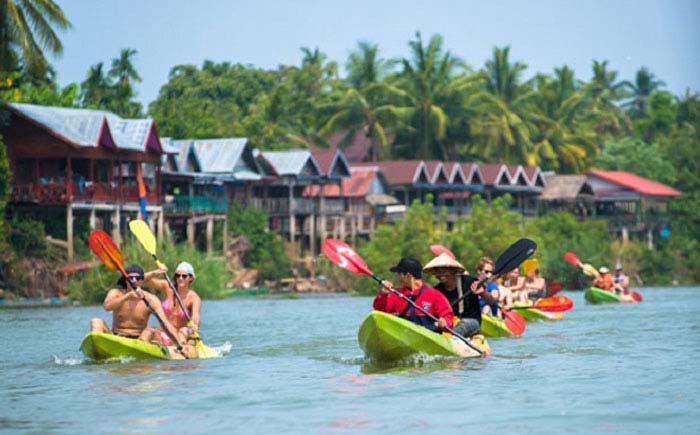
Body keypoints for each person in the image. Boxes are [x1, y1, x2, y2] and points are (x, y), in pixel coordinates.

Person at [90, 263, 185, 350]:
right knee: (96, 321)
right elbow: (107, 306)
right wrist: (127, 296)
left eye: (137, 278)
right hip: (116, 336)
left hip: (139, 339)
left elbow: (165, 323)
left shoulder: (150, 299)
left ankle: (138, 354)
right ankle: (96, 351)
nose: (134, 280)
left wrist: (180, 345)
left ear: (142, 280)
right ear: (126, 280)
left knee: (150, 331)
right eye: (131, 278)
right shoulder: (116, 293)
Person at [423, 253, 497, 337]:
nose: (441, 274)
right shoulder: (437, 291)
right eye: (438, 271)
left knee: (463, 324)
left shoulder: (470, 282)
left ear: (452, 270)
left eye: (444, 270)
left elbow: (491, 301)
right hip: (450, 323)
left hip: (471, 322)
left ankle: (452, 341)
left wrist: (482, 293)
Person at [374, 257, 454, 333]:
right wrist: (383, 295)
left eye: (400, 274)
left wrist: (445, 322)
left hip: (427, 337)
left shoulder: (434, 295)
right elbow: (380, 311)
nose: (399, 278)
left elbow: (448, 318)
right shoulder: (396, 294)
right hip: (404, 334)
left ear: (408, 275)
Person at [143, 261, 203, 346]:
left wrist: (194, 325)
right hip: (162, 334)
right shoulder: (168, 287)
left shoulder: (194, 298)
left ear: (191, 278)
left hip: (179, 337)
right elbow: (141, 280)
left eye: (184, 276)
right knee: (147, 329)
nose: (180, 278)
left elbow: (196, 316)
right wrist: (157, 272)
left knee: (184, 330)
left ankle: (182, 348)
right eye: (178, 275)